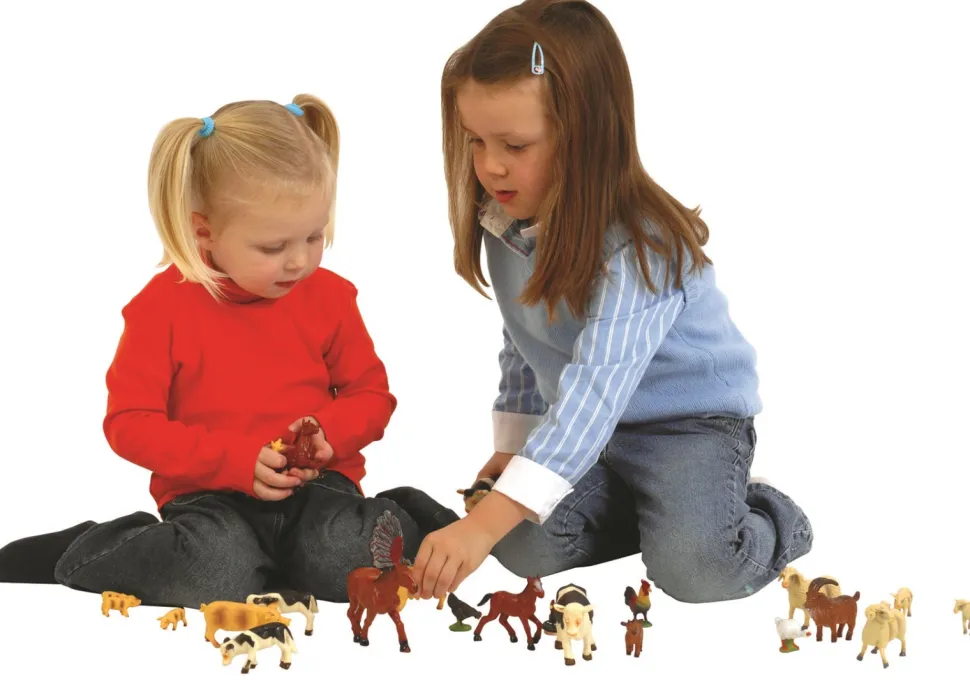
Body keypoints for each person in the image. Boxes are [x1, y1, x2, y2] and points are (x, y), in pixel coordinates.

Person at [411, 0, 814, 608]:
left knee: (696, 572)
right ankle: (653, 517)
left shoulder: (644, 247)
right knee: (519, 546)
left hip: (686, 427)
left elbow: (595, 393)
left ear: (586, 137)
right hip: (590, 434)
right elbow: (524, 338)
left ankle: (769, 518)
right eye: (476, 141)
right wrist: (512, 447)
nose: (491, 166)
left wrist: (487, 518)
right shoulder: (505, 220)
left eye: (515, 145)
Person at [0, 94, 457, 607]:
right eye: (272, 247)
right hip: (210, 497)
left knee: (345, 561)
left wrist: (330, 435)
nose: (300, 262)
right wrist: (232, 460)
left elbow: (371, 395)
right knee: (213, 576)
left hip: (319, 491)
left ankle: (403, 513)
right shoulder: (160, 310)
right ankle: (85, 550)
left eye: (314, 236)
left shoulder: (330, 296)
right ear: (205, 232)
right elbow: (128, 423)